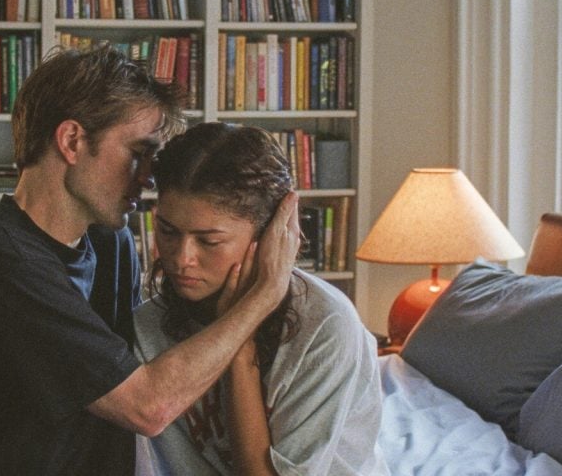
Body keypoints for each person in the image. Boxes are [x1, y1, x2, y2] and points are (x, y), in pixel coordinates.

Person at [0, 46, 302, 475]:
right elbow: (147, 407)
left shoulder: (110, 242)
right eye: (138, 153)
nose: (149, 177)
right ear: (72, 141)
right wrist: (264, 294)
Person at [134, 122, 389, 476]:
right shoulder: (147, 324)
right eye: (167, 231)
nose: (181, 258)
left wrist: (240, 344)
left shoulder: (326, 326)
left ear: (272, 234)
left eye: (209, 241)